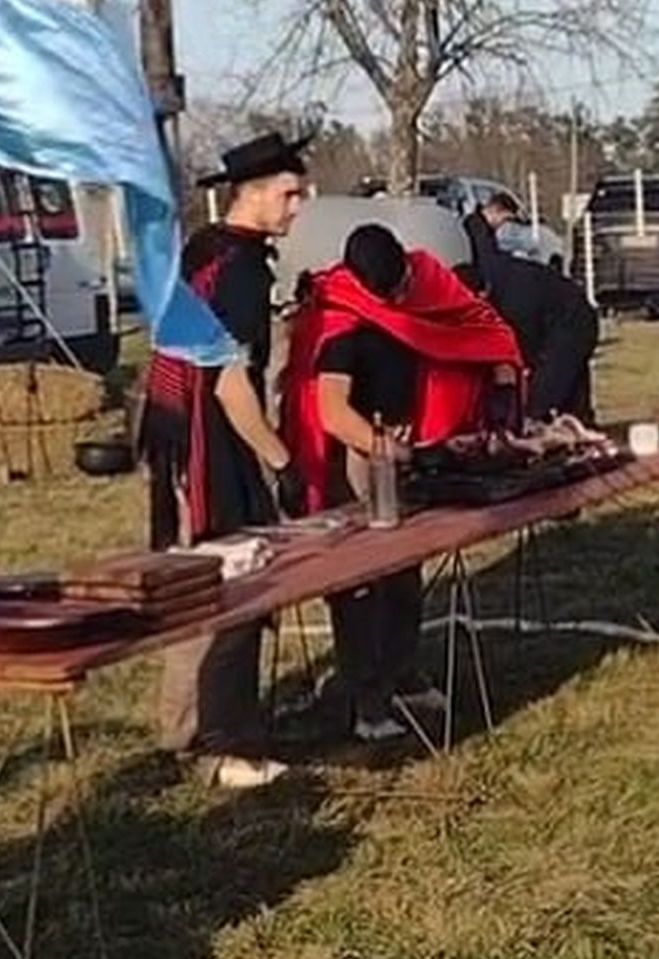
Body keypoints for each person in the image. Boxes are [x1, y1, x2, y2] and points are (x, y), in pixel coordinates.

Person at [282, 224, 521, 740]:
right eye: (390, 292)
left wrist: (497, 381)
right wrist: (385, 447)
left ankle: (403, 673)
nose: (400, 295)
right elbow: (332, 411)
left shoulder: (422, 287)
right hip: (361, 458)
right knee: (362, 581)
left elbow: (472, 327)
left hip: (406, 442)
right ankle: (367, 701)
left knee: (405, 570)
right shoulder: (340, 323)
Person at [136, 130, 309, 789]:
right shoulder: (232, 267)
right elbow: (230, 381)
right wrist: (281, 458)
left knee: (192, 586)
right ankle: (221, 744)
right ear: (256, 193)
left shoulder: (206, 250)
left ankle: (186, 730)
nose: (297, 207)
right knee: (229, 588)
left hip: (180, 435)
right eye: (290, 194)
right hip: (207, 444)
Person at [463, 191, 599, 421]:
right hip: (564, 309)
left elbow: (524, 348)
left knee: (544, 393)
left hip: (568, 319)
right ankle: (580, 423)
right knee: (568, 386)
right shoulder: (494, 272)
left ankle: (549, 426)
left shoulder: (513, 299)